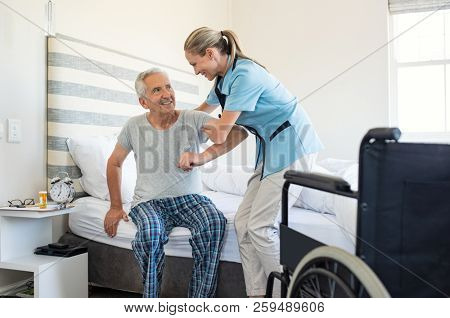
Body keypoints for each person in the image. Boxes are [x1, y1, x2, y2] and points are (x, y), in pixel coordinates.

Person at [183, 27, 323, 297]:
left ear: (210, 53)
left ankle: (294, 296)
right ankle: (258, 297)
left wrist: (196, 148)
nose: (195, 70)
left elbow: (224, 132)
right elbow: (201, 114)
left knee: (260, 226)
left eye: (194, 63)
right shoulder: (223, 82)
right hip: (271, 150)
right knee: (243, 224)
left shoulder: (245, 75)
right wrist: (173, 123)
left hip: (293, 145)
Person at [103, 68, 248, 298]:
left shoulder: (193, 118)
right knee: (150, 233)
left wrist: (201, 157)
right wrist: (115, 206)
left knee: (214, 222)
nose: (167, 93)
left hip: (190, 200)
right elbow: (114, 163)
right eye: (157, 90)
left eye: (168, 86)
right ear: (143, 101)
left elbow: (238, 133)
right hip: (149, 202)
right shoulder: (133, 126)